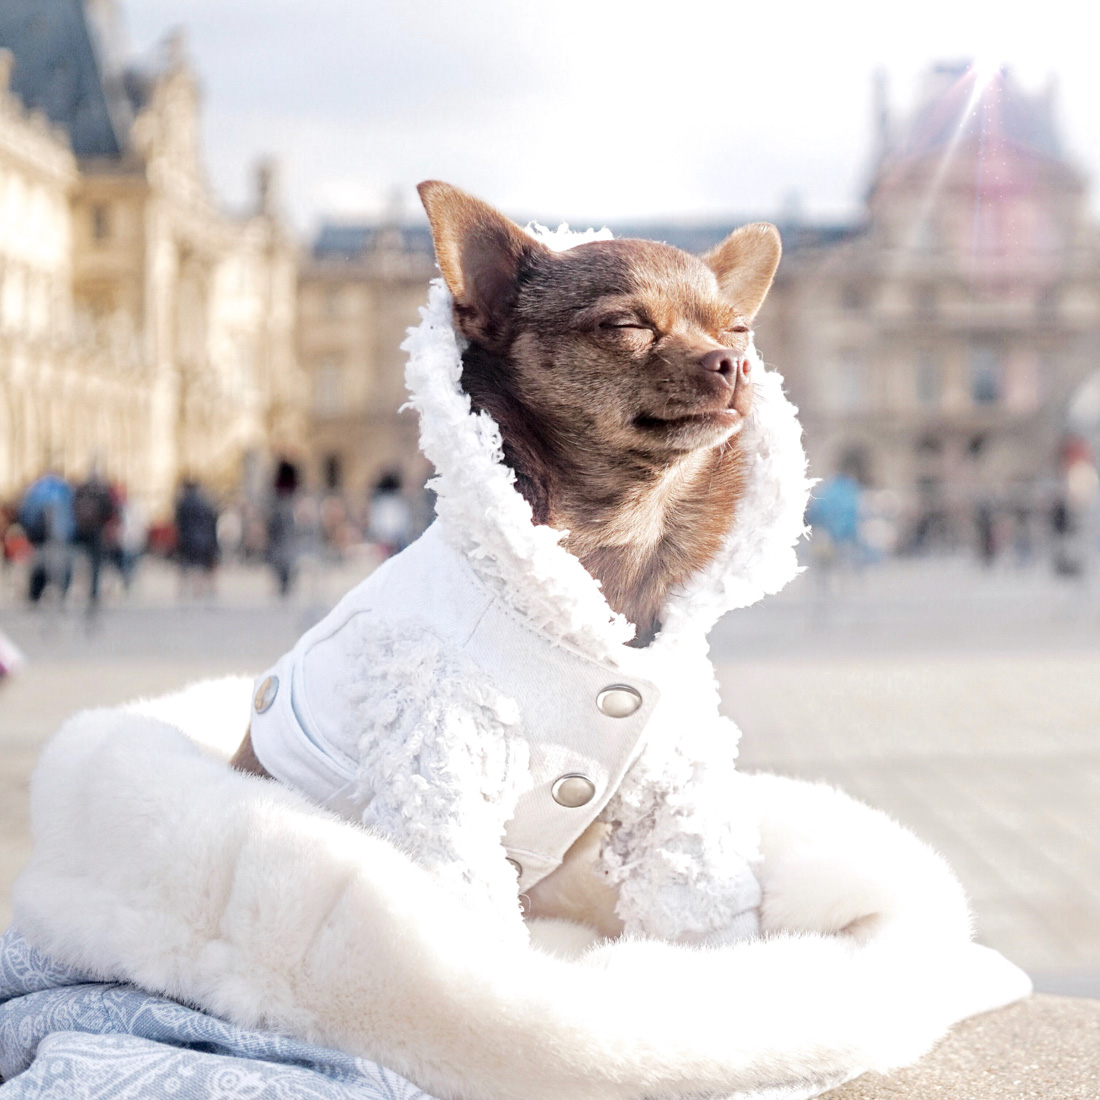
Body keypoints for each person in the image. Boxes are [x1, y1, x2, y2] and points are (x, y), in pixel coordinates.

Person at [18, 470, 75, 604]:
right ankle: (60, 591)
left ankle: (36, 593)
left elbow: (26, 513)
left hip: (40, 536)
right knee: (58, 564)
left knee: (40, 563)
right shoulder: (63, 490)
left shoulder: (36, 490)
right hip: (59, 536)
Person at [73, 470, 117, 609]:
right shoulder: (101, 491)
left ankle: (80, 590)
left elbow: (73, 508)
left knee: (81, 561)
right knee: (95, 564)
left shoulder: (81, 491)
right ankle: (93, 592)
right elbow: (110, 510)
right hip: (96, 531)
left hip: (81, 531)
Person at [174, 480, 219, 598]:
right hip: (206, 538)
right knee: (204, 565)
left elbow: (179, 523)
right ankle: (202, 590)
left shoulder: (183, 503)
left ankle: (185, 590)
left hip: (187, 538)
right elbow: (212, 522)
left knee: (187, 565)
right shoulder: (206, 502)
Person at [266, 460, 300, 598]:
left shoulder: (282, 504)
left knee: (284, 558)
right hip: (281, 539)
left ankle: (284, 584)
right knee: (283, 558)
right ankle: (284, 583)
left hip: (282, 540)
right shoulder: (282, 505)